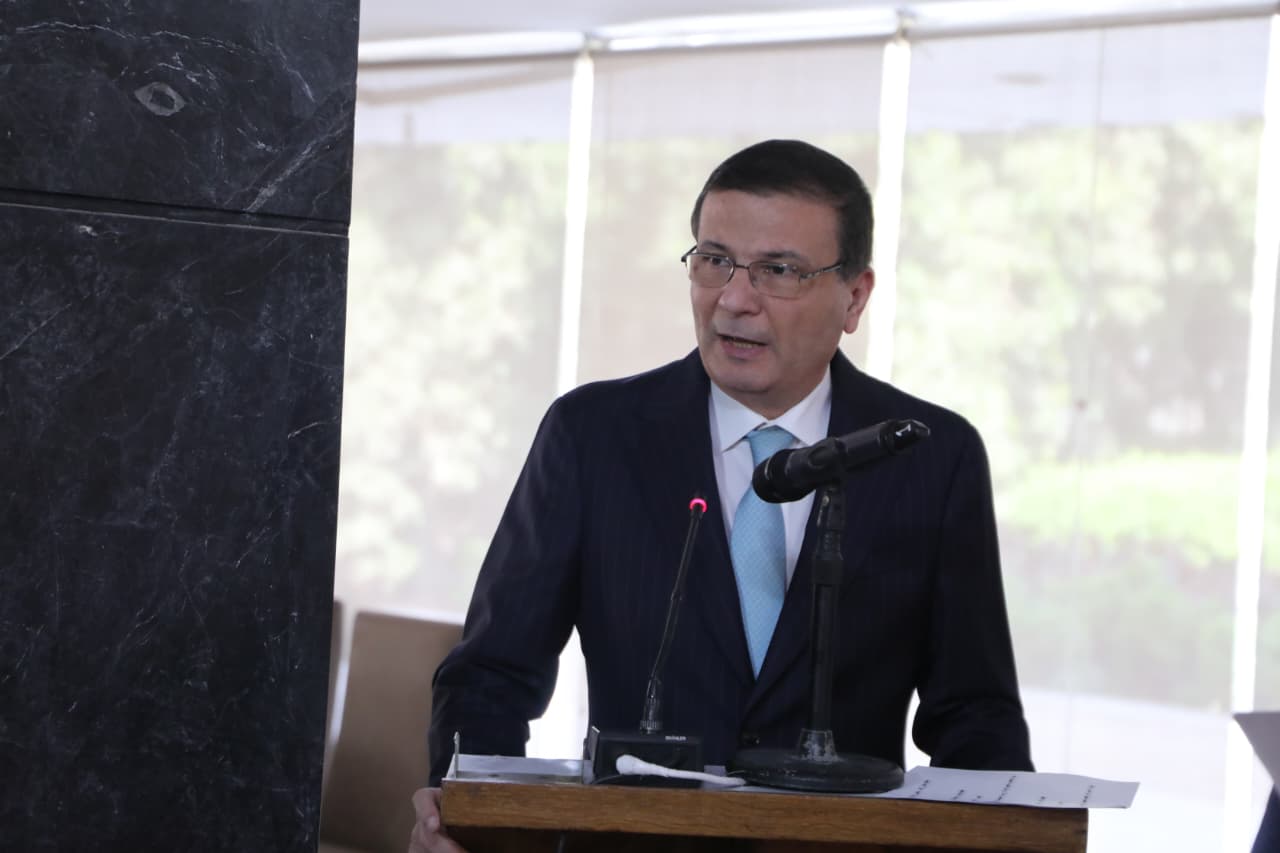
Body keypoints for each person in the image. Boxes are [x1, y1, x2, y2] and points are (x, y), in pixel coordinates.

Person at [409, 139, 1033, 852]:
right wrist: (467, 819)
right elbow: (491, 676)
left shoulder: (929, 455)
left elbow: (975, 714)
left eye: (779, 270)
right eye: (713, 260)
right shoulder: (593, 435)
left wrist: (1009, 837)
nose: (734, 300)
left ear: (855, 296)